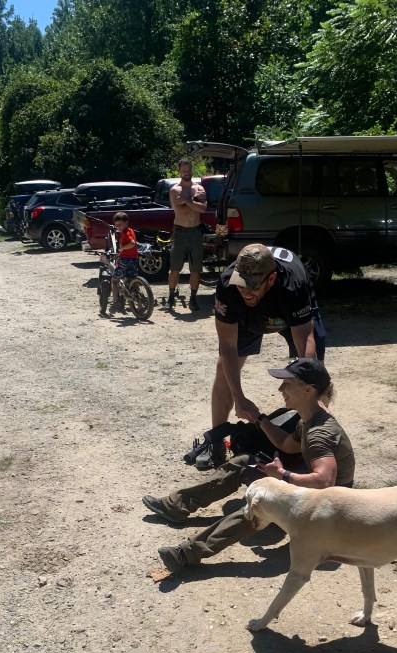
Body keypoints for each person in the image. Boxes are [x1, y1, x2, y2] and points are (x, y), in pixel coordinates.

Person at [142, 357, 354, 575]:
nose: (281, 389)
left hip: (328, 512)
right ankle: (177, 505)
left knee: (262, 500)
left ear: (308, 390)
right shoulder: (308, 419)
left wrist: (282, 475)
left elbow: (324, 481)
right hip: (318, 498)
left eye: (287, 384)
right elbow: (286, 445)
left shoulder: (319, 433)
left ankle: (187, 554)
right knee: (245, 463)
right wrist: (258, 418)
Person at [201, 243, 327, 469]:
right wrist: (239, 397)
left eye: (252, 286)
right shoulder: (229, 285)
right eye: (242, 285)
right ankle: (217, 442)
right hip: (248, 317)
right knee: (223, 369)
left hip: (287, 311)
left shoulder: (292, 285)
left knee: (314, 376)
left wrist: (306, 391)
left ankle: (313, 438)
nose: (246, 292)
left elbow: (306, 346)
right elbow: (228, 347)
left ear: (271, 279)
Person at [168, 159, 207, 312]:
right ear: (179, 171)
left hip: (195, 231)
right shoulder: (175, 190)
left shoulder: (199, 188)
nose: (186, 172)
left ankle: (193, 299)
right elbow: (182, 210)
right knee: (175, 267)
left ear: (192, 169)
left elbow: (203, 209)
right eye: (183, 169)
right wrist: (194, 201)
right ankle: (171, 297)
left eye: (188, 169)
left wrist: (187, 200)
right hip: (180, 232)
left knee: (196, 268)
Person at [110, 211, 139, 313]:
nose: (118, 227)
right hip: (134, 259)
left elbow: (132, 243)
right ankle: (140, 303)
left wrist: (122, 248)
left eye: (120, 224)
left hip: (125, 260)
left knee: (114, 280)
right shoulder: (131, 230)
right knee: (133, 280)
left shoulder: (125, 233)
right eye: (116, 225)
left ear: (126, 223)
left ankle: (115, 301)